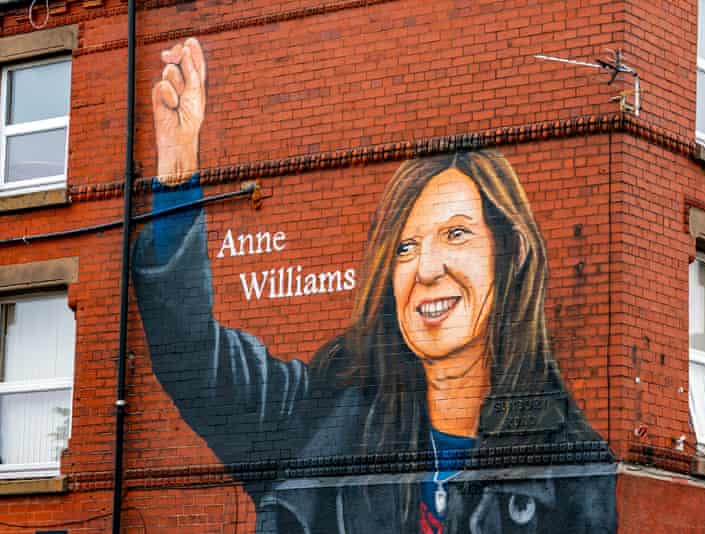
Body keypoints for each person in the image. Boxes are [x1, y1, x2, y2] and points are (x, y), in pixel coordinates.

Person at [133, 38, 616, 534]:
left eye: (456, 235)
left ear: (509, 255)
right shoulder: (321, 417)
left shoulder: (569, 467)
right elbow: (190, 355)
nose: (426, 269)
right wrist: (177, 172)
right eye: (405, 249)